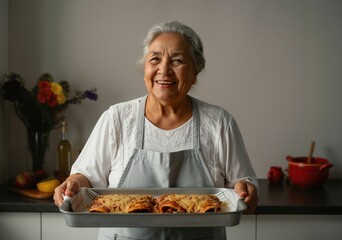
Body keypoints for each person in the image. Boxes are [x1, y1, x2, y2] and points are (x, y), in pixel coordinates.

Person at [54, 21, 258, 240]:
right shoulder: (117, 119)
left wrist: (246, 190)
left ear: (195, 72)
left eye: (177, 60)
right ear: (145, 69)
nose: (164, 70)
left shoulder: (219, 123)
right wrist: (73, 183)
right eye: (155, 59)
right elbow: (86, 179)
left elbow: (244, 191)